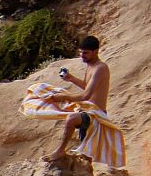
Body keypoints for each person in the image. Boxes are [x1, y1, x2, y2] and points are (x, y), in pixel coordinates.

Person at [45, 36, 115, 164]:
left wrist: (63, 97)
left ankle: (60, 150)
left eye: (86, 53)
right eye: (81, 52)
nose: (82, 55)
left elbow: (85, 96)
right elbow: (87, 86)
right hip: (88, 111)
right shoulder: (90, 66)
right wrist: (71, 78)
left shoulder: (101, 68)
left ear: (96, 51)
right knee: (86, 156)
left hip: (96, 114)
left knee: (71, 119)